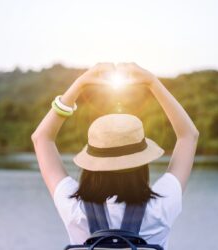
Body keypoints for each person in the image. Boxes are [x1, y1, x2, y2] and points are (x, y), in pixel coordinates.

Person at [31, 62, 199, 249]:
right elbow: (188, 136)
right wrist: (152, 83)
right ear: (142, 162)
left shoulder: (74, 207)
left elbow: (41, 138)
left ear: (92, 163)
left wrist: (79, 84)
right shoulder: (161, 205)